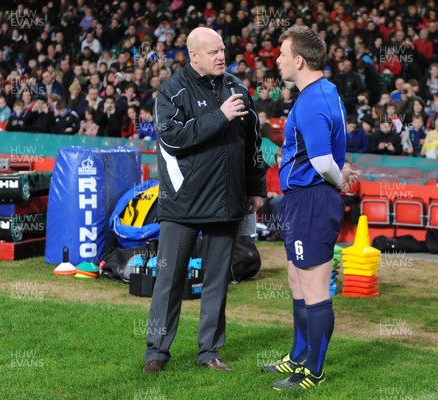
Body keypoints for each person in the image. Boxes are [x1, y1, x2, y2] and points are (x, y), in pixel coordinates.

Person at [143, 27, 266, 374]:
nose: (221, 56)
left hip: (226, 203)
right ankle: (156, 352)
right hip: (182, 205)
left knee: (216, 282)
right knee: (168, 281)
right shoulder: (171, 91)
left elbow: (253, 146)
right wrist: (221, 116)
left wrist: (256, 188)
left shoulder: (239, 90)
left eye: (223, 50)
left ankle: (209, 351)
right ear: (193, 55)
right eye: (213, 51)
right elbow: (172, 138)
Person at [262, 25, 358, 391]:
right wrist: (341, 170)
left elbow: (320, 161)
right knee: (296, 281)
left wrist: (338, 178)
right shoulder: (325, 91)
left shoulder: (313, 100)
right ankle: (299, 355)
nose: (277, 60)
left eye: (282, 54)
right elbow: (328, 152)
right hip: (303, 199)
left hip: (313, 200)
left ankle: (312, 371)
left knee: (314, 288)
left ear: (299, 60)